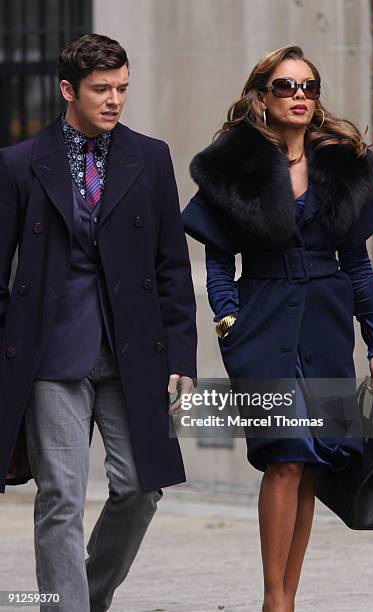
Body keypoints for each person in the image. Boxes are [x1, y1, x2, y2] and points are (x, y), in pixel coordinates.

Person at [182, 45, 373, 612]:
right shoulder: (234, 169)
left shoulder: (343, 166)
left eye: (308, 86)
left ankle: (288, 599)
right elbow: (215, 261)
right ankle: (273, 600)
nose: (299, 96)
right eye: (286, 86)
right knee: (284, 455)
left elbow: (357, 262)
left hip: (327, 323)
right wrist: (228, 321)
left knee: (311, 463)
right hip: (263, 317)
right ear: (262, 95)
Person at [0, 33, 196, 611]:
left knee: (141, 487)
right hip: (51, 356)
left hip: (133, 350)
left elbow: (171, 267)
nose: (114, 99)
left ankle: (86, 593)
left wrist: (181, 359)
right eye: (101, 89)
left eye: (123, 89)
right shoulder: (18, 166)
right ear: (68, 90)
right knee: (61, 494)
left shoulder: (151, 157)